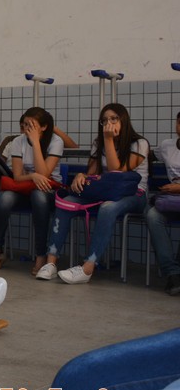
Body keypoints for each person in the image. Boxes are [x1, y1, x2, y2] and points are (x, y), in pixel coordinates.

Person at [42, 103, 149, 284]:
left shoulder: (139, 143)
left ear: (123, 120)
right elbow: (92, 172)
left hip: (134, 195)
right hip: (104, 191)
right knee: (66, 203)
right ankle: (50, 262)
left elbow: (116, 171)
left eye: (114, 119)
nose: (109, 123)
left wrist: (108, 140)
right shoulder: (98, 143)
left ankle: (88, 267)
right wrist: (81, 176)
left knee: (107, 208)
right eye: (105, 120)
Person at [0, 107, 64, 272]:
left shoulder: (56, 141)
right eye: (26, 125)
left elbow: (44, 174)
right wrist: (33, 176)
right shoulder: (18, 141)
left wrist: (35, 143)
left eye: (32, 125)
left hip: (48, 191)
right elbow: (17, 176)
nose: (28, 129)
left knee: (39, 197)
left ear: (43, 127)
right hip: (24, 187)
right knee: (4, 197)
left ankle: (41, 254)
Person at [145, 111, 180, 296]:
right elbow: (147, 155)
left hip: (175, 194)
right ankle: (172, 273)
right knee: (152, 215)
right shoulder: (167, 146)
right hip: (172, 201)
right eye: (179, 123)